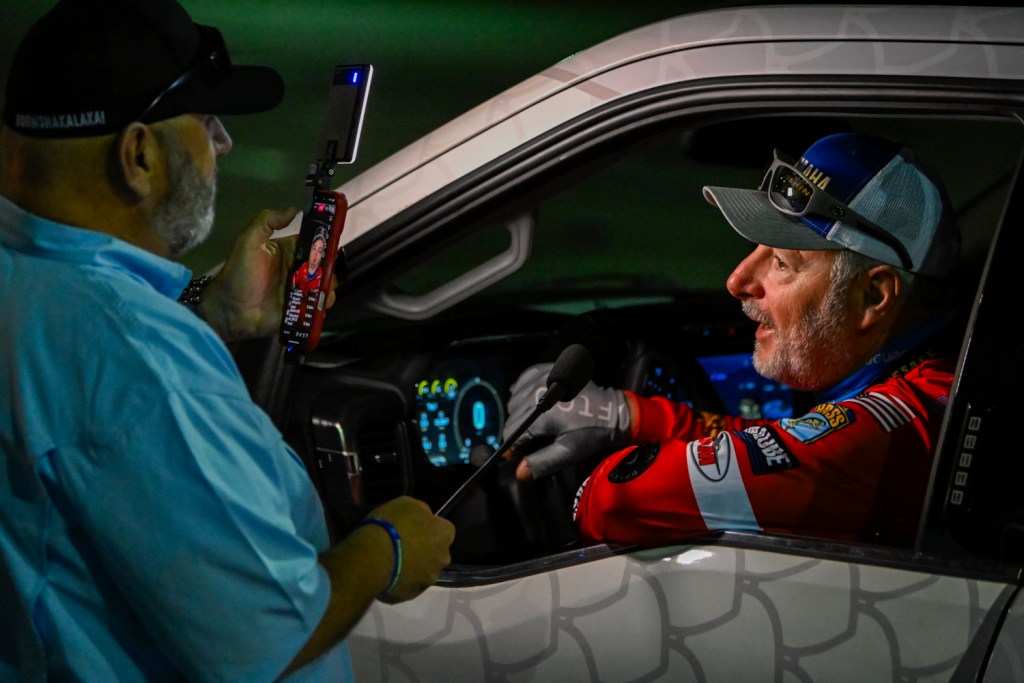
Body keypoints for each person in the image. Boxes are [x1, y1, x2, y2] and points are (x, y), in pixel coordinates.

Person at [0, 1, 454, 681]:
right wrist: (387, 548)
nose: (224, 143)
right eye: (207, 122)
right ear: (138, 155)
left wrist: (205, 311)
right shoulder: (147, 364)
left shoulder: (28, 281)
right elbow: (267, 639)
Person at [505, 132, 960, 549]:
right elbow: (779, 452)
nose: (737, 280)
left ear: (873, 296)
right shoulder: (923, 395)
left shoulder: (892, 432)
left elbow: (617, 502)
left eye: (781, 262)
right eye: (756, 249)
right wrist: (627, 415)